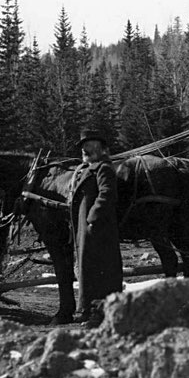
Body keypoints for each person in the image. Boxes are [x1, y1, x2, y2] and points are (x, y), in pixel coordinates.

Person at [68, 130, 123, 326]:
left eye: (90, 146)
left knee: (100, 270)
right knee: (86, 270)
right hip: (86, 229)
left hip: (99, 230)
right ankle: (87, 310)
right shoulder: (86, 169)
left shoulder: (103, 168)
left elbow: (107, 195)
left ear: (101, 149)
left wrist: (92, 219)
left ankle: (98, 315)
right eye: (84, 147)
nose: (85, 150)